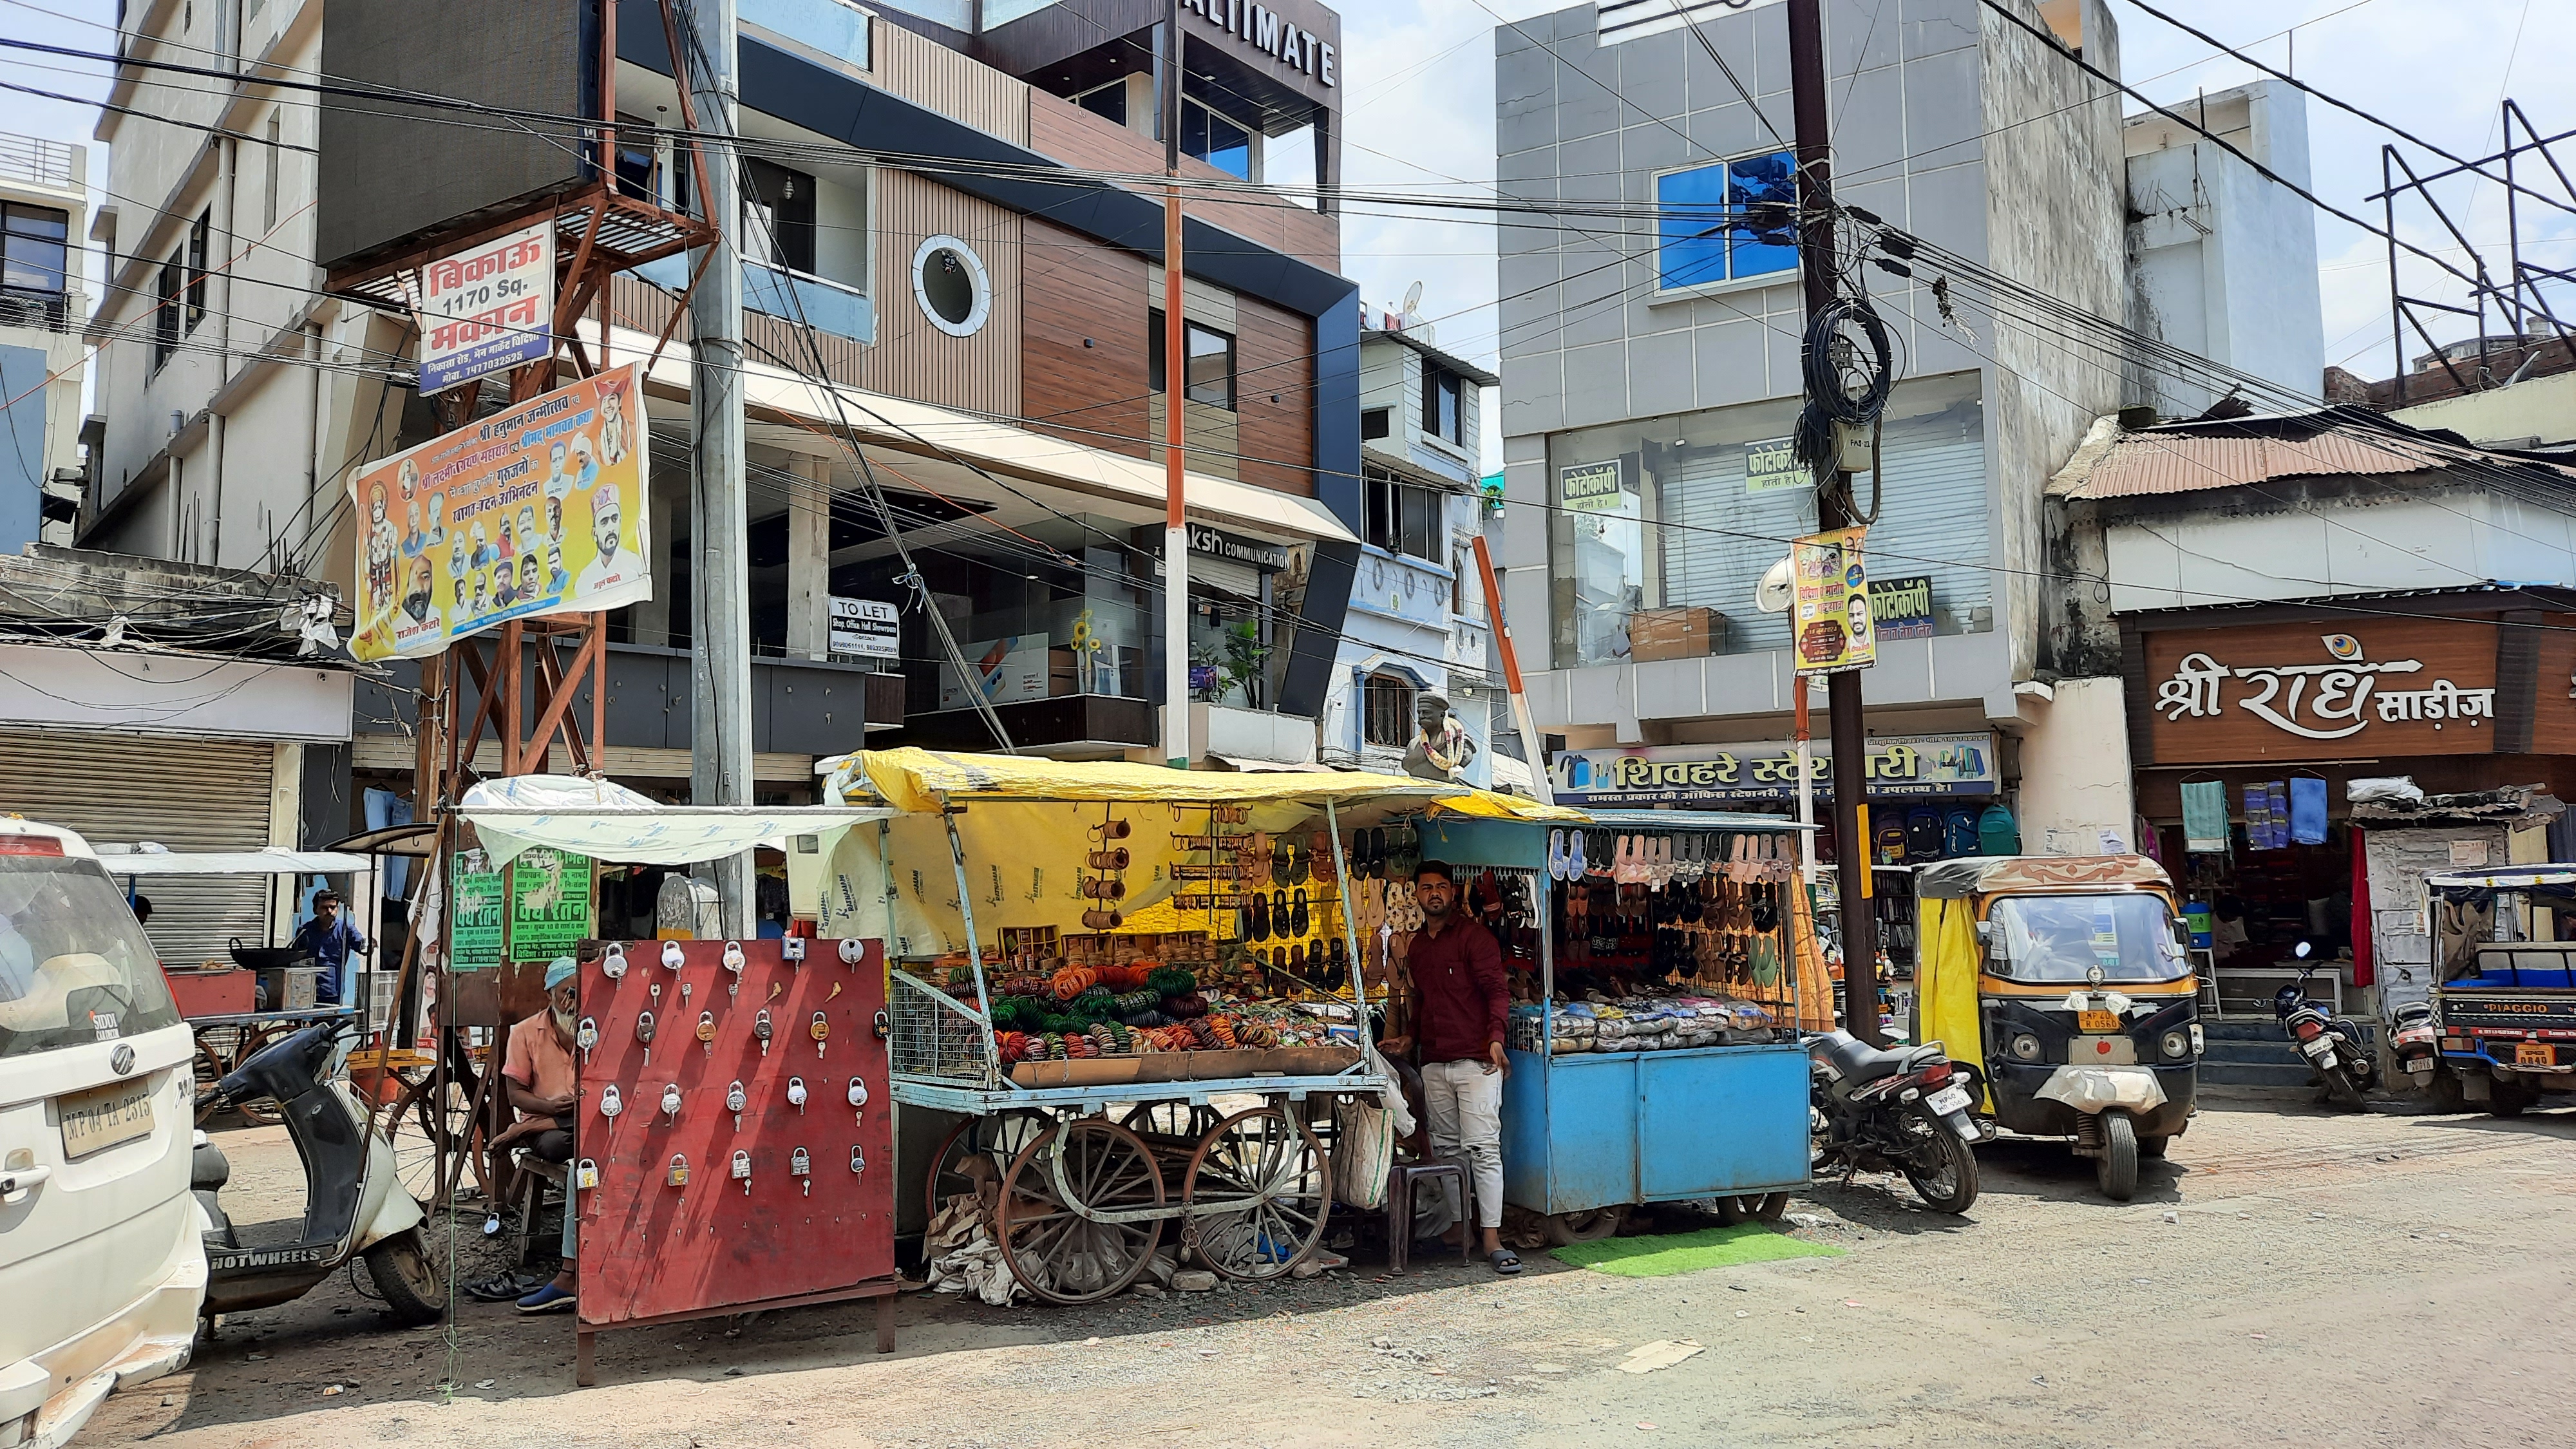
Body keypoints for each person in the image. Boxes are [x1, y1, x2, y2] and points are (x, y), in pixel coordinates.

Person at [1377, 860, 1519, 1274]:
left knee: (1483, 1149)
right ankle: (1462, 1229)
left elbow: (1497, 990)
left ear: (1452, 894)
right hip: (1436, 1062)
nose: (1434, 894)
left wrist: (1496, 1037)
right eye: (1426, 888)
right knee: (1449, 1151)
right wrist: (1410, 1040)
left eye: (1441, 887)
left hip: (1476, 1062)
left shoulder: (1475, 939)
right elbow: (1423, 1002)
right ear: (1416, 895)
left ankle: (1492, 1237)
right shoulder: (1418, 947)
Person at [497, 956, 580, 1314]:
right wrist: (547, 1111)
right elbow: (516, 1094)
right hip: (554, 1125)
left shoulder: (595, 1028)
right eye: (567, 992)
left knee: (586, 1135)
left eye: (580, 992)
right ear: (551, 994)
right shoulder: (525, 1032)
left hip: (585, 1119)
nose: (573, 1001)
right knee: (556, 1143)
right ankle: (531, 1128)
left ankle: (524, 1130)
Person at [287, 889, 368, 1007]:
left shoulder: (346, 929)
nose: (330, 911)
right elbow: (295, 959)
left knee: (330, 1025)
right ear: (316, 910)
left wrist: (368, 945)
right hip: (306, 991)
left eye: (333, 907)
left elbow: (362, 946)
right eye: (325, 908)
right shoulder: (305, 931)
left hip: (332, 992)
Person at [574, 484, 633, 594]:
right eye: (604, 522)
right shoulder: (584, 581)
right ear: (594, 533)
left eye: (615, 519)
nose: (611, 528)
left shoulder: (635, 566)